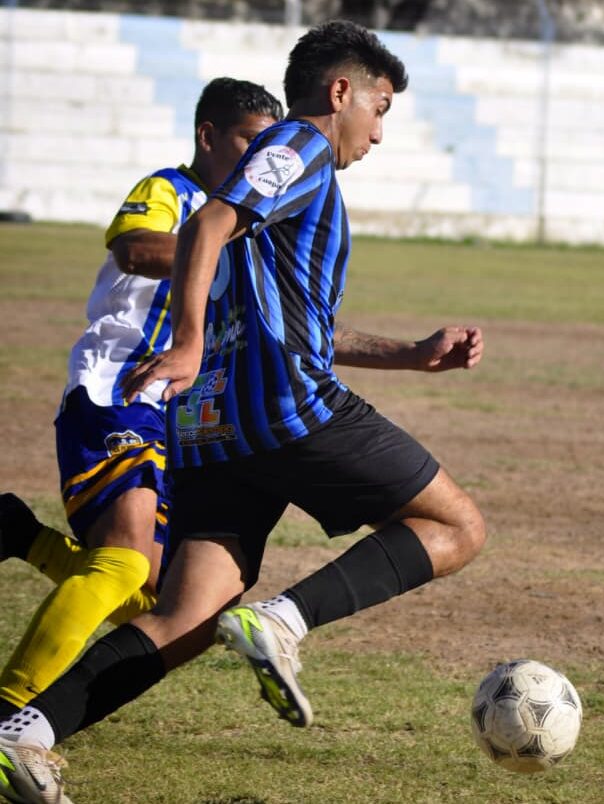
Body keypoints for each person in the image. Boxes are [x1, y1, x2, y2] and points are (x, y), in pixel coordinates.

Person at [0, 20, 486, 804]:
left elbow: (293, 318)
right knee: (457, 527)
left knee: (187, 616)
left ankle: (24, 734)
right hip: (282, 407)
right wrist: (188, 340)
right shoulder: (301, 149)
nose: (380, 132)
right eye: (381, 106)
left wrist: (411, 352)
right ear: (340, 93)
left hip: (212, 428)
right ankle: (286, 620)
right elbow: (206, 226)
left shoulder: (279, 176)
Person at [0, 78, 284, 723]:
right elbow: (134, 247)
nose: (254, 161)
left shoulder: (246, 228)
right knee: (126, 558)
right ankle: (9, 714)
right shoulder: (172, 191)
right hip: (120, 384)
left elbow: (281, 331)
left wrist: (407, 352)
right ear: (209, 136)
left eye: (266, 148)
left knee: (157, 597)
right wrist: (214, 252)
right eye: (246, 142)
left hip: (178, 413)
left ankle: (19, 534)